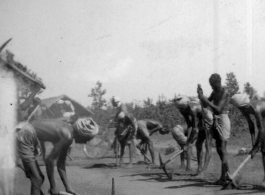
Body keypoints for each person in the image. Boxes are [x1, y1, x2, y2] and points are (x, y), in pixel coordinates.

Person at [197, 73, 231, 184]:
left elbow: (218, 109)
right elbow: (206, 104)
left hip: (223, 119)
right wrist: (200, 95)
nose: (211, 87)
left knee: (223, 149)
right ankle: (223, 177)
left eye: (212, 85)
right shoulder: (214, 92)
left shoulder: (224, 92)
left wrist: (204, 100)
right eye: (210, 85)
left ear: (218, 83)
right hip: (216, 120)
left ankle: (229, 175)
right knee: (218, 149)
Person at [15, 84, 45, 195]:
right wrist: (35, 90)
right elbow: (23, 107)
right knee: (37, 178)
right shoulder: (14, 107)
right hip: (22, 141)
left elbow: (27, 109)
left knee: (39, 177)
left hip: (25, 140)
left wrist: (37, 102)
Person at [231, 94, 265, 188]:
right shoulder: (245, 109)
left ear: (246, 105)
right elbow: (251, 125)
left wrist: (255, 148)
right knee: (263, 150)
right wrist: (254, 144)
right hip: (263, 121)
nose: (242, 110)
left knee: (264, 149)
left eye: (242, 108)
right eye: (240, 108)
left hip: (263, 121)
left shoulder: (255, 108)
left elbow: (261, 129)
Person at [111, 96, 138, 168]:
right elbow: (119, 124)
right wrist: (117, 130)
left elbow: (133, 126)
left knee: (129, 143)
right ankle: (121, 162)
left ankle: (131, 163)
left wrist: (132, 135)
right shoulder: (120, 118)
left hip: (132, 125)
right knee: (122, 142)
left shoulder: (127, 116)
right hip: (126, 125)